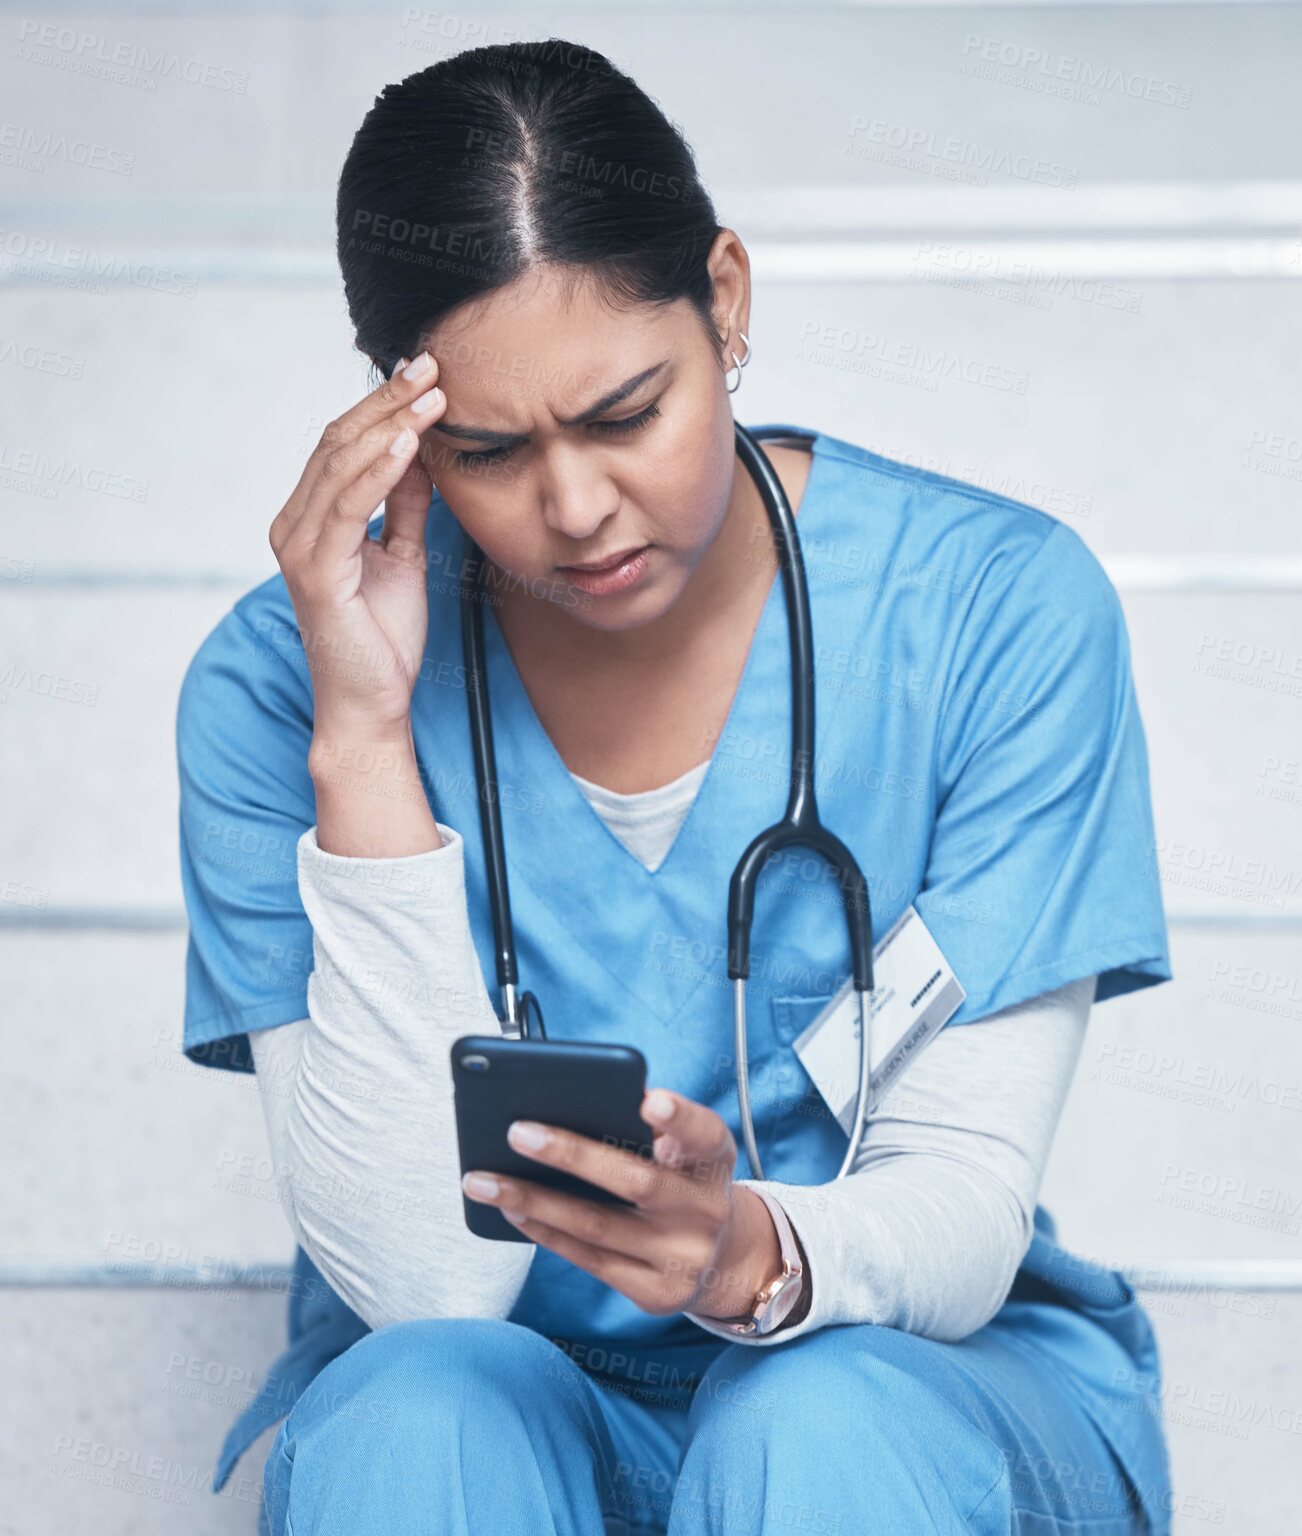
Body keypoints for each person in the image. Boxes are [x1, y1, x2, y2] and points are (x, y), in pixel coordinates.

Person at [175, 38, 1176, 1536]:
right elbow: (424, 1290)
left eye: (626, 413)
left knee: (816, 1419)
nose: (574, 510)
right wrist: (365, 742)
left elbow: (960, 1205)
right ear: (398, 426)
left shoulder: (991, 615)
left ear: (726, 299)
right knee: (419, 1412)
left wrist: (746, 1253)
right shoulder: (278, 687)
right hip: (503, 1414)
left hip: (899, 1389)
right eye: (488, 451)